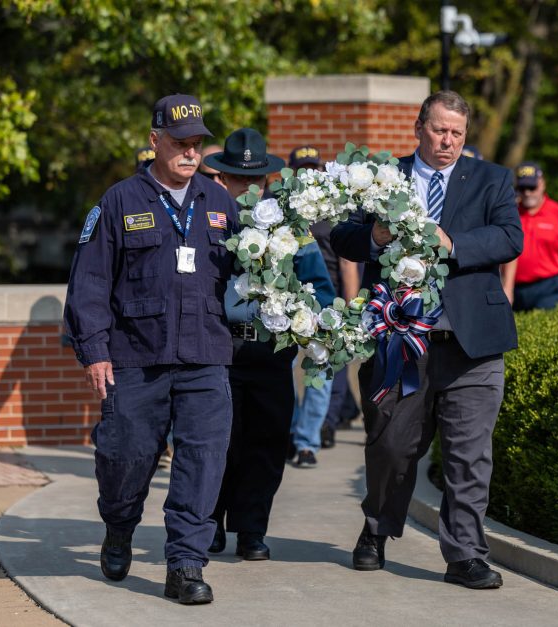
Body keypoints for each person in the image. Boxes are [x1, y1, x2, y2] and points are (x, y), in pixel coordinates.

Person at [331, 90, 523, 589]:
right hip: (399, 342)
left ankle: (465, 555)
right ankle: (376, 528)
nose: (448, 141)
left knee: (468, 456)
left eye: (457, 133)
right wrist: (375, 237)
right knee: (391, 447)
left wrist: (452, 242)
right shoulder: (382, 177)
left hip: (471, 344)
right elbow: (342, 236)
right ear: (419, 128)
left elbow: (510, 237)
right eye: (439, 130)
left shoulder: (492, 179)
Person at [63, 94, 239, 606]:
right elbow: (90, 282)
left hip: (205, 354)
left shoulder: (219, 201)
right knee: (126, 458)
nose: (191, 152)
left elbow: (248, 275)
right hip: (136, 356)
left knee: (202, 460)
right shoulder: (119, 201)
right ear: (155, 140)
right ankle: (119, 526)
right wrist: (95, 351)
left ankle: (185, 564)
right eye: (180, 143)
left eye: (197, 143)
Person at [204, 129, 335, 559]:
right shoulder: (204, 223)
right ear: (223, 179)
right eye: (239, 179)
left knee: (267, 441)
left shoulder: (292, 230)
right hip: (219, 348)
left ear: (267, 180)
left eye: (256, 179)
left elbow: (320, 288)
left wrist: (306, 315)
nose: (248, 187)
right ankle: (210, 522)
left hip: (270, 349)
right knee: (218, 442)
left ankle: (251, 529)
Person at [287, 145, 360, 457]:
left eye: (312, 169)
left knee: (320, 371)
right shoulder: (284, 209)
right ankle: (291, 430)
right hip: (288, 301)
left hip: (327, 301)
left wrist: (352, 307)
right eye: (301, 169)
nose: (308, 175)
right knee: (283, 368)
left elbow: (347, 263)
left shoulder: (334, 211)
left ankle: (307, 441)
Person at [499, 162, 558, 310]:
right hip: (515, 288)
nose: (527, 193)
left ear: (542, 184)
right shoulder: (510, 213)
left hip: (548, 288)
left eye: (532, 187)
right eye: (522, 188)